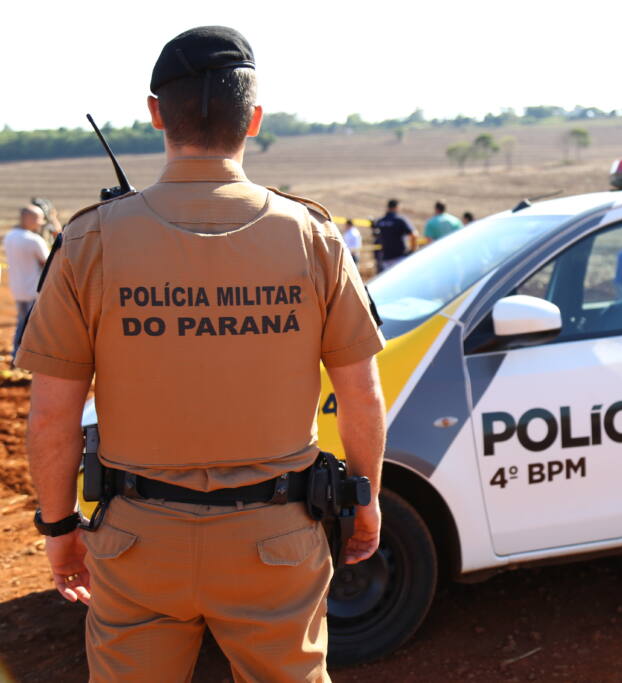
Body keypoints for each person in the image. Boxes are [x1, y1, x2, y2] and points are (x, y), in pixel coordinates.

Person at [18, 26, 386, 682]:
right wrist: (368, 498)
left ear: (156, 113)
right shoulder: (314, 237)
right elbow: (361, 393)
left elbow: (50, 415)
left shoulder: (89, 242)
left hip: (137, 545)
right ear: (254, 120)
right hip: (276, 541)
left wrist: (58, 527)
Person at [3, 205, 50, 363]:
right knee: (34, 326)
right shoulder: (34, 240)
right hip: (33, 290)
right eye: (39, 219)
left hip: (18, 288)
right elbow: (48, 263)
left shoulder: (10, 236)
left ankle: (17, 355)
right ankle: (29, 359)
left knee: (22, 322)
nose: (41, 223)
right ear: (29, 219)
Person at [374, 198, 416, 270]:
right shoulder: (400, 220)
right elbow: (414, 235)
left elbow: (375, 235)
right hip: (400, 257)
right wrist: (412, 251)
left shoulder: (380, 221)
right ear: (397, 207)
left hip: (386, 258)